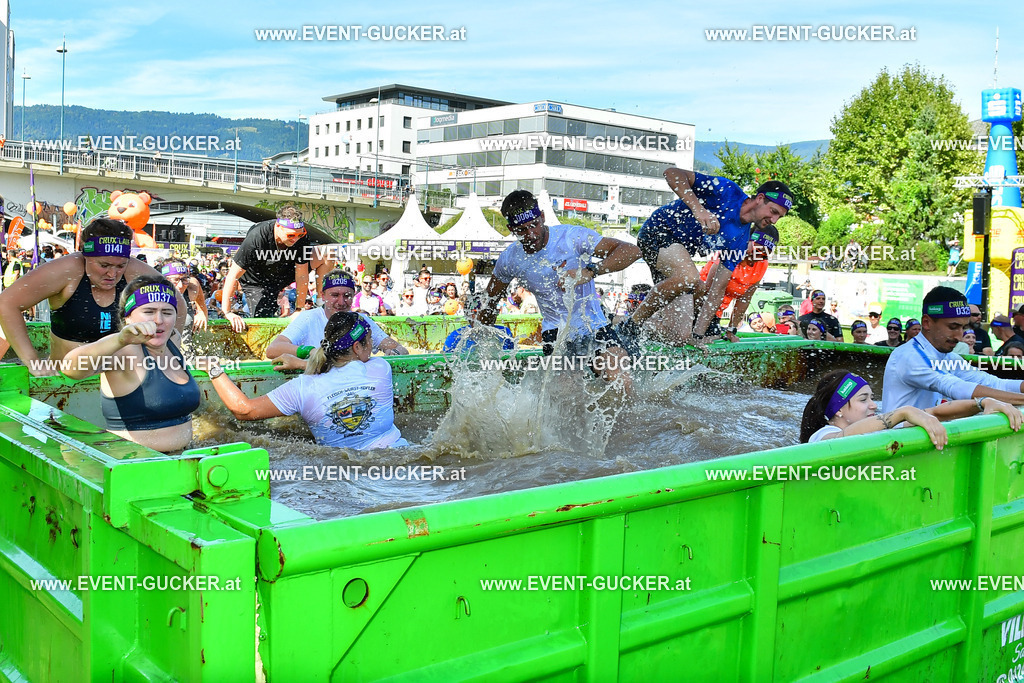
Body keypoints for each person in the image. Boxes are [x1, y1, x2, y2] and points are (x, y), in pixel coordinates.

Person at [478, 190, 640, 386]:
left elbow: (632, 251)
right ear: (511, 229)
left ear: (543, 217)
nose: (530, 234)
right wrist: (481, 337)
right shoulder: (510, 259)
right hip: (556, 335)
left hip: (594, 325)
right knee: (567, 403)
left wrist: (589, 271)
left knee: (621, 380)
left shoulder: (572, 237)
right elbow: (490, 299)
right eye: (521, 230)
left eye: (534, 225)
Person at [624, 169, 791, 345]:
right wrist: (699, 210)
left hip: (677, 257)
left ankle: (621, 324)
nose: (774, 220)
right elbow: (672, 173)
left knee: (678, 336)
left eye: (779, 216)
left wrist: (697, 335)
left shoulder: (740, 241)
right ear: (760, 198)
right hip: (657, 230)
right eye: (773, 211)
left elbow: (717, 290)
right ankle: (633, 324)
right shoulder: (728, 190)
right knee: (689, 278)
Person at [0, 219, 185, 374]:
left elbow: (179, 305)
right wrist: (33, 362)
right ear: (85, 256)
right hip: (65, 381)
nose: (112, 274)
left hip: (120, 379)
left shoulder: (135, 271)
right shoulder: (67, 270)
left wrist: (164, 351)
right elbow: (6, 303)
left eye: (120, 266)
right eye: (104, 265)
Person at [207, 311, 407, 450]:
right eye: (370, 341)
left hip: (342, 472)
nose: (372, 347)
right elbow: (339, 369)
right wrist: (303, 363)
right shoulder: (380, 368)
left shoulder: (303, 387)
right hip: (398, 453)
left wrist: (212, 368)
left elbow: (244, 410)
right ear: (356, 348)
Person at [61, 275, 200, 453]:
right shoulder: (124, 352)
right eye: (149, 312)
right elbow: (70, 368)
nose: (159, 320)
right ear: (128, 317)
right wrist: (119, 340)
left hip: (182, 459)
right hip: (134, 464)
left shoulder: (173, 341)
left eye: (167, 312)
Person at [882, 287, 1024, 411]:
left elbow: (996, 384)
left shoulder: (949, 357)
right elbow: (957, 388)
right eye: (953, 327)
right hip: (896, 440)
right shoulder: (909, 356)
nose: (959, 336)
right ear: (926, 323)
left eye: (963, 327)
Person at [801, 369, 1021, 444]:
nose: (873, 405)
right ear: (838, 408)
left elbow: (936, 412)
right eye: (863, 399)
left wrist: (982, 403)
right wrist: (902, 412)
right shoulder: (823, 435)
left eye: (872, 398)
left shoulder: (876, 428)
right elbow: (841, 441)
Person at [266, 270, 408, 372]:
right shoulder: (309, 318)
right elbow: (273, 349)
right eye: (334, 295)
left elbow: (400, 349)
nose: (341, 302)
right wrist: (311, 352)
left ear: (354, 295)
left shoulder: (362, 321)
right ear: (322, 295)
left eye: (347, 296)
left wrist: (392, 354)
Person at [676, 226, 779, 344]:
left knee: (714, 338)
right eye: (757, 251)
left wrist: (731, 329)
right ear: (747, 241)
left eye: (765, 255)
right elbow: (711, 294)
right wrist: (698, 333)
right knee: (686, 337)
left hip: (715, 314)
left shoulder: (761, 264)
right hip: (695, 304)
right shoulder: (730, 253)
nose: (758, 257)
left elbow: (744, 300)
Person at [220, 206, 314, 331]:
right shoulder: (257, 237)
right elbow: (233, 275)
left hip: (281, 272)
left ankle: (320, 302)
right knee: (262, 319)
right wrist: (227, 312)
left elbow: (302, 275)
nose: (295, 239)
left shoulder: (301, 238)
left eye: (300, 234)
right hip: (256, 280)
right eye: (291, 235)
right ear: (278, 227)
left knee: (326, 255)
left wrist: (299, 309)